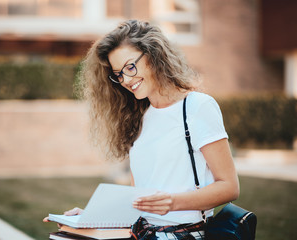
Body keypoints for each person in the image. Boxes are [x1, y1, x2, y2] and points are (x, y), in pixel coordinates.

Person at [44, 19, 239, 240]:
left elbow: (229, 186)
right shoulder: (140, 117)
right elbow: (138, 203)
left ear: (154, 56)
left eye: (130, 66)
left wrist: (173, 203)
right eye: (118, 74)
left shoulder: (197, 106)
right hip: (143, 234)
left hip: (185, 235)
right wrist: (92, 218)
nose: (125, 79)